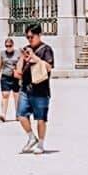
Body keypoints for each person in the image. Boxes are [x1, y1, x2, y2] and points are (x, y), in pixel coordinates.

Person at [15, 23, 55, 154]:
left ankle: (41, 144)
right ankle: (32, 138)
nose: (29, 39)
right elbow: (19, 71)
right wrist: (22, 58)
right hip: (26, 88)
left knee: (40, 118)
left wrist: (35, 58)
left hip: (41, 89)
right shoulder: (26, 49)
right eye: (27, 37)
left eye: (32, 37)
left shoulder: (46, 49)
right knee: (21, 115)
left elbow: (49, 68)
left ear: (39, 35)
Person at [0, 37, 20, 121]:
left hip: (15, 77)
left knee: (16, 96)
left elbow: (21, 65)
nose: (8, 47)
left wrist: (21, 77)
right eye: (7, 46)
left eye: (10, 45)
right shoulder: (2, 53)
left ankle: (18, 115)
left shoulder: (18, 53)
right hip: (5, 76)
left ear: (13, 45)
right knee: (5, 95)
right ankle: (3, 114)